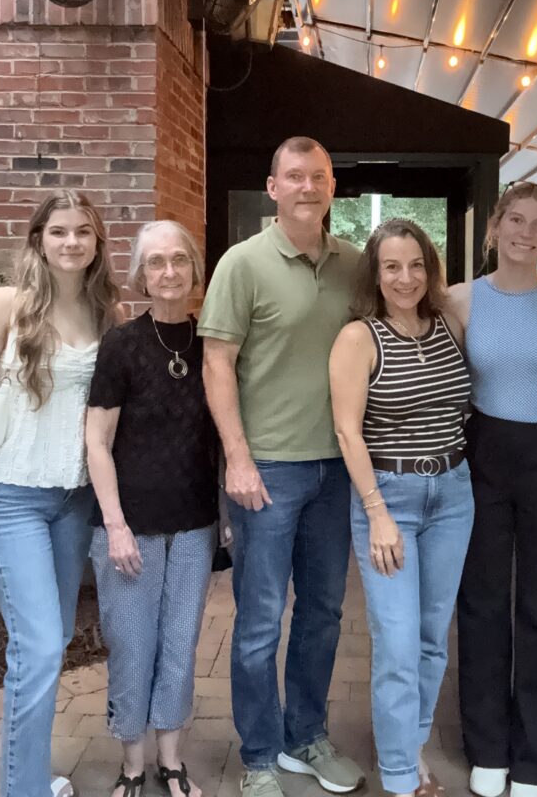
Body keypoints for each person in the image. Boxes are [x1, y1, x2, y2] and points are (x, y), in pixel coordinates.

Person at [0, 190, 120, 797]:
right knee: (41, 646)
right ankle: (25, 789)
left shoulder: (104, 311)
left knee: (52, 640)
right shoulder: (5, 304)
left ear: (98, 243)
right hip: (9, 495)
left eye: (83, 233)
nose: (72, 242)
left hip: (73, 500)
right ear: (39, 239)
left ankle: (30, 776)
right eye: (59, 231)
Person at [199, 137, 364, 797]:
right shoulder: (242, 265)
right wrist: (235, 459)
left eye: (318, 176)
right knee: (260, 621)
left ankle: (305, 737)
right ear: (273, 188)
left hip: (338, 469)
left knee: (323, 613)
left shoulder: (355, 264)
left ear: (331, 187)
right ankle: (260, 755)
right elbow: (216, 366)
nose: (307, 187)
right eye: (294, 177)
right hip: (268, 469)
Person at [329, 219, 474, 797]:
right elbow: (346, 431)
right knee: (396, 641)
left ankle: (411, 750)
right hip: (388, 499)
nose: (405, 277)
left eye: (416, 264)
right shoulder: (358, 337)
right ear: (375, 272)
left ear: (430, 269)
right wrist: (376, 511)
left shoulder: (449, 324)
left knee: (432, 636)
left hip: (454, 495)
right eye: (392, 266)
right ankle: (397, 776)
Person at [446, 182, 537, 797]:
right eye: (516, 220)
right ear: (494, 226)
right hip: (483, 456)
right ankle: (488, 747)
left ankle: (535, 759)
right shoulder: (457, 301)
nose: (527, 233)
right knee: (481, 603)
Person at [86, 220, 218, 797]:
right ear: (140, 274)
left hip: (193, 525)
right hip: (129, 526)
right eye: (156, 262)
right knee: (132, 645)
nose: (169, 271)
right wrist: (115, 525)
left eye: (179, 260)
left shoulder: (211, 342)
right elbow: (96, 440)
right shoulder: (122, 344)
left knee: (180, 645)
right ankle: (132, 765)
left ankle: (171, 761)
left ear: (194, 270)